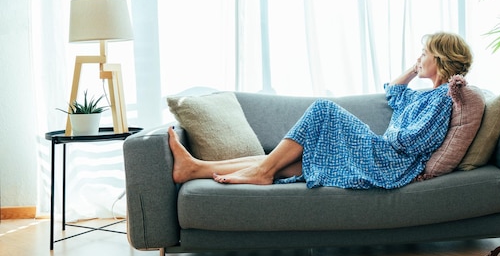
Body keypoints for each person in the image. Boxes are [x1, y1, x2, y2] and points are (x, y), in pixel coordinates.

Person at [168, 31, 473, 189]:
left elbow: (414, 142)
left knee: (324, 110)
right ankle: (195, 168)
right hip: (380, 155)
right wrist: (416, 68)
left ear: (442, 59)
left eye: (424, 54)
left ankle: (261, 172)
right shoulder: (420, 96)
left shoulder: (444, 99)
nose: (418, 58)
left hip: (388, 162)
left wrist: (371, 139)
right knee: (291, 160)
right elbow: (393, 91)